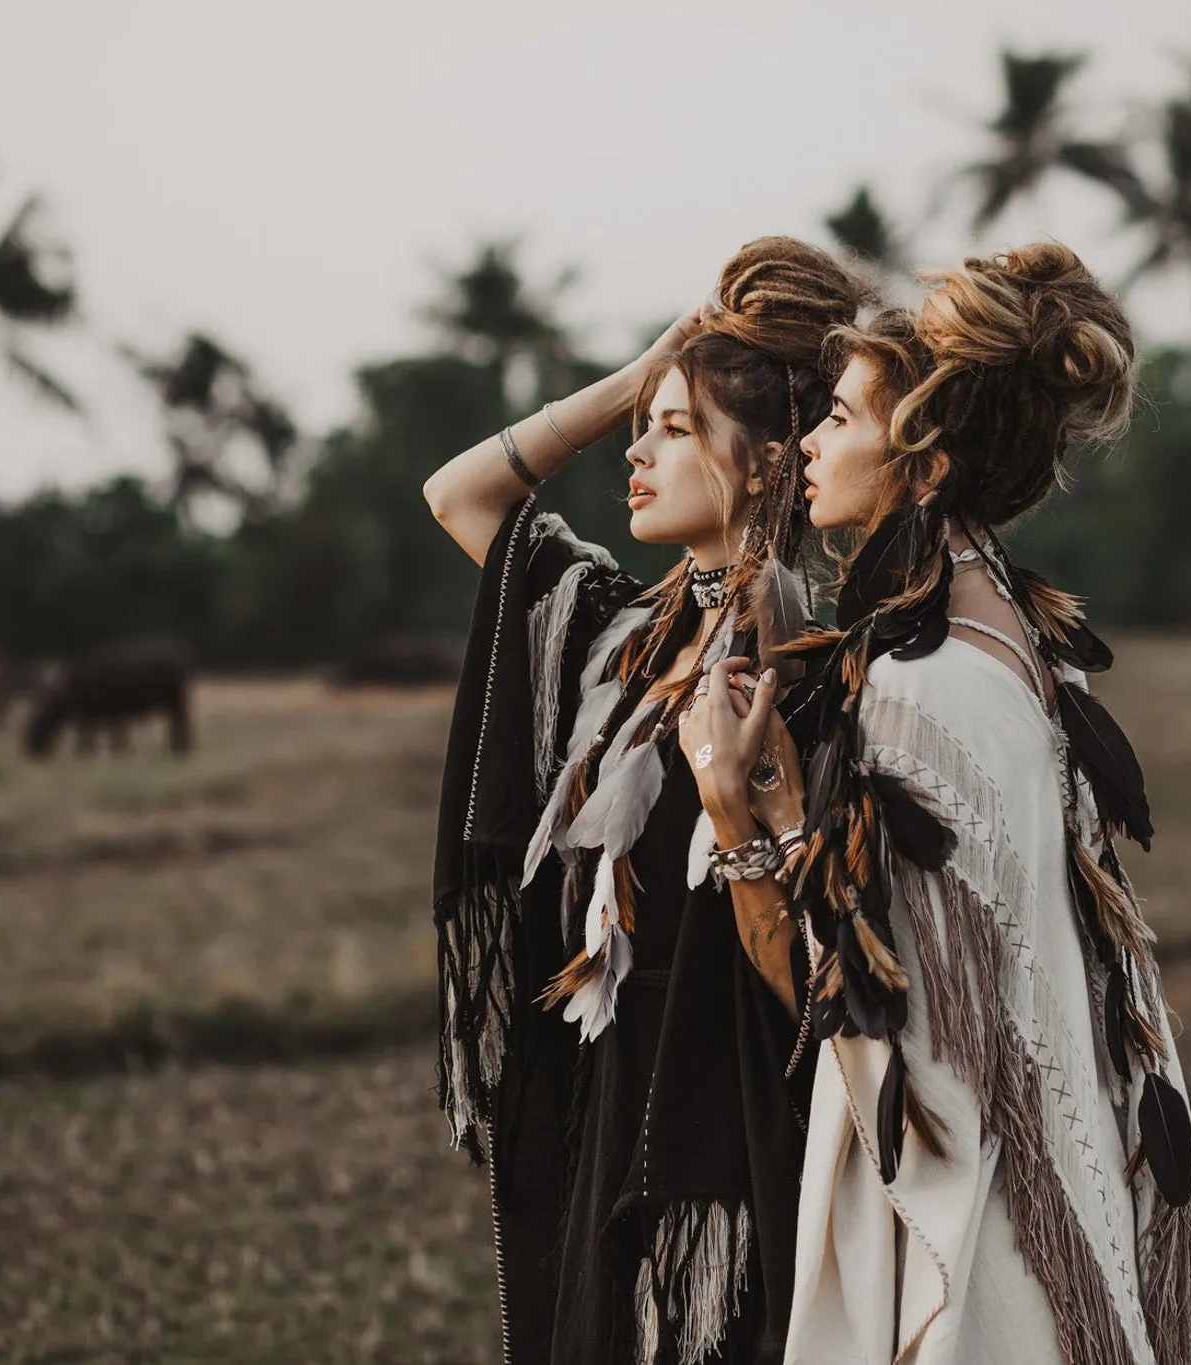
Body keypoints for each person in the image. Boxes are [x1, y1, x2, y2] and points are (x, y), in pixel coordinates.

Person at [753, 244, 1191, 1362]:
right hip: (1069, 1173)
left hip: (988, 1227)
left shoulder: (922, 688)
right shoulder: (1016, 642)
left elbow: (916, 1021)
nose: (808, 445)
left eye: (834, 417)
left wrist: (756, 809)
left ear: (921, 468)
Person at [422, 236, 866, 1364]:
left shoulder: (803, 667)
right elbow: (456, 492)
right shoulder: (618, 636)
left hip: (723, 1114)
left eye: (673, 432)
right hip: (606, 1087)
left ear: (768, 463)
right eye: (644, 427)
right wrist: (640, 375)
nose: (637, 453)